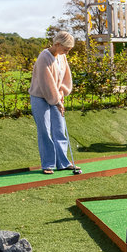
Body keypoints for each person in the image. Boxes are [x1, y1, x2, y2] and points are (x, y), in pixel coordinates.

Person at [29, 31, 75, 174]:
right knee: (45, 131)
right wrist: (57, 101)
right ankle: (48, 164)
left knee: (59, 129)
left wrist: (61, 94)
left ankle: (63, 163)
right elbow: (46, 84)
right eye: (66, 49)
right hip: (39, 97)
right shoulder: (44, 57)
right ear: (57, 44)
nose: (67, 53)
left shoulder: (62, 57)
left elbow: (66, 78)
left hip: (55, 96)